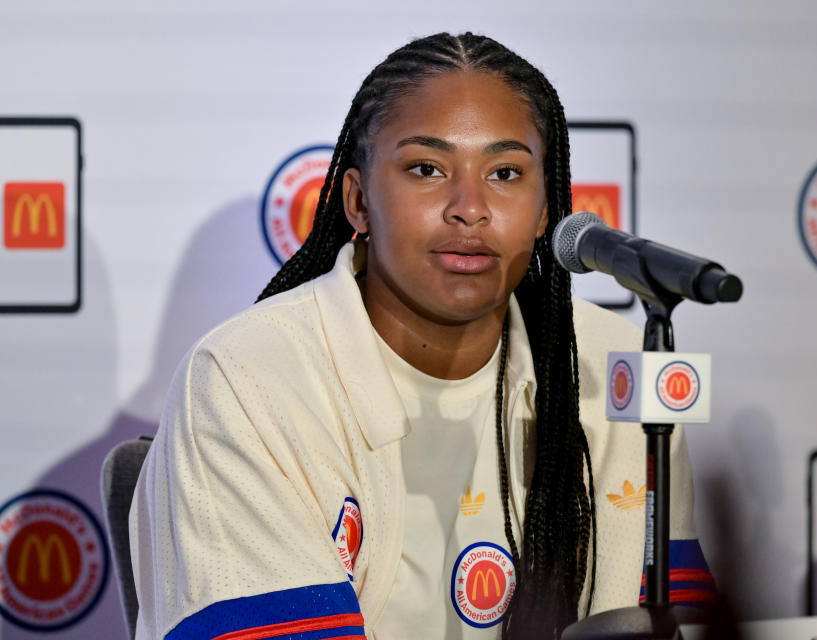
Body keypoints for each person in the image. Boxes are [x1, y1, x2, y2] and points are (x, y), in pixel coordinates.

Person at [130, 32, 716, 640]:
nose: (470, 208)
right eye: (426, 169)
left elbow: (674, 624)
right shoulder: (246, 381)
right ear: (358, 201)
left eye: (506, 172)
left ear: (546, 211)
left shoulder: (612, 367)